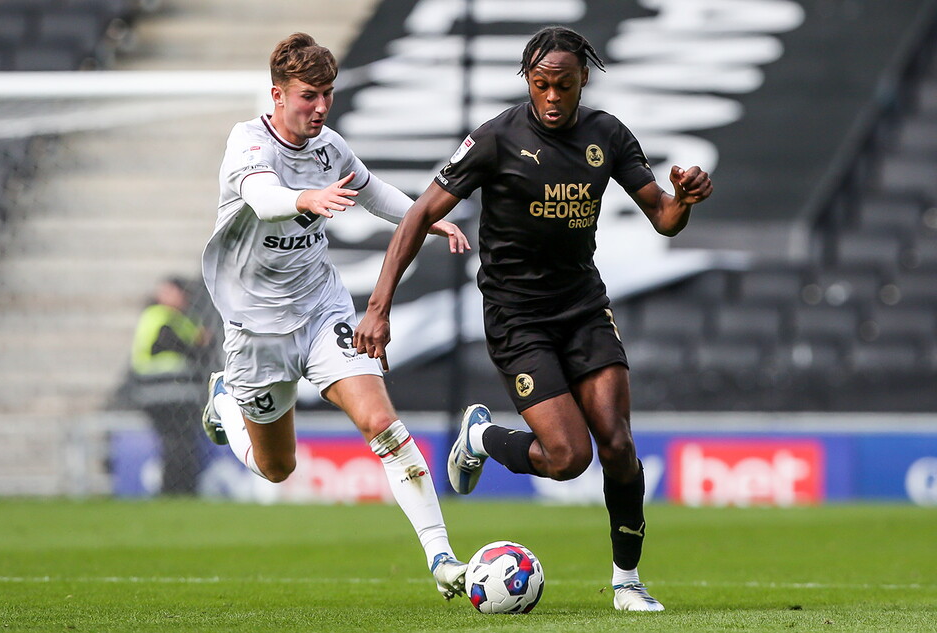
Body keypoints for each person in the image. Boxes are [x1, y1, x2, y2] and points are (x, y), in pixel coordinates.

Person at [354, 26, 713, 612]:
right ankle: (481, 436)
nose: (552, 97)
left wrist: (686, 199)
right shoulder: (496, 138)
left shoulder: (607, 135)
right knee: (569, 459)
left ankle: (627, 582)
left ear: (582, 82)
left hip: (583, 308)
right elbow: (419, 213)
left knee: (618, 444)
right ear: (528, 81)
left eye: (564, 85)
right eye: (541, 84)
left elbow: (664, 219)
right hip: (517, 318)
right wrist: (378, 306)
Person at [199, 33, 471, 600]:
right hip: (256, 330)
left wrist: (427, 218)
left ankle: (442, 557)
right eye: (308, 96)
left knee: (383, 426)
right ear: (277, 94)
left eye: (327, 94)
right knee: (278, 469)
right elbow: (263, 197)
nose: (320, 108)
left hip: (321, 309)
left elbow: (373, 194)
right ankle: (225, 404)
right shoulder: (248, 142)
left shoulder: (330, 147)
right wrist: (307, 200)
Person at [128, 276, 212, 495]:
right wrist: (196, 344)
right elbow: (172, 344)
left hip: (176, 395)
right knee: (176, 445)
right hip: (162, 393)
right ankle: (175, 489)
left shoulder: (182, 320)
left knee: (181, 444)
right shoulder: (160, 317)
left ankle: (180, 489)